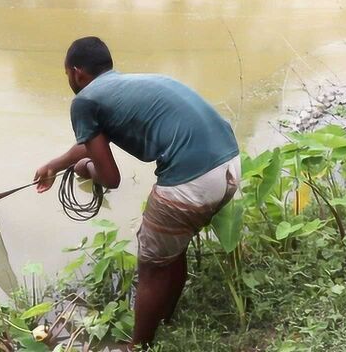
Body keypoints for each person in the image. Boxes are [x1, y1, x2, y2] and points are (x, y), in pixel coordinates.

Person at [34, 36, 240, 348]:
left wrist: (86, 170)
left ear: (76, 73)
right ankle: (165, 319)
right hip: (228, 166)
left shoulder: (84, 101)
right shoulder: (128, 86)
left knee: (151, 266)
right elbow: (91, 143)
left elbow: (110, 177)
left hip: (192, 178)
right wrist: (56, 164)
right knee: (172, 250)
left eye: (67, 76)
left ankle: (138, 345)